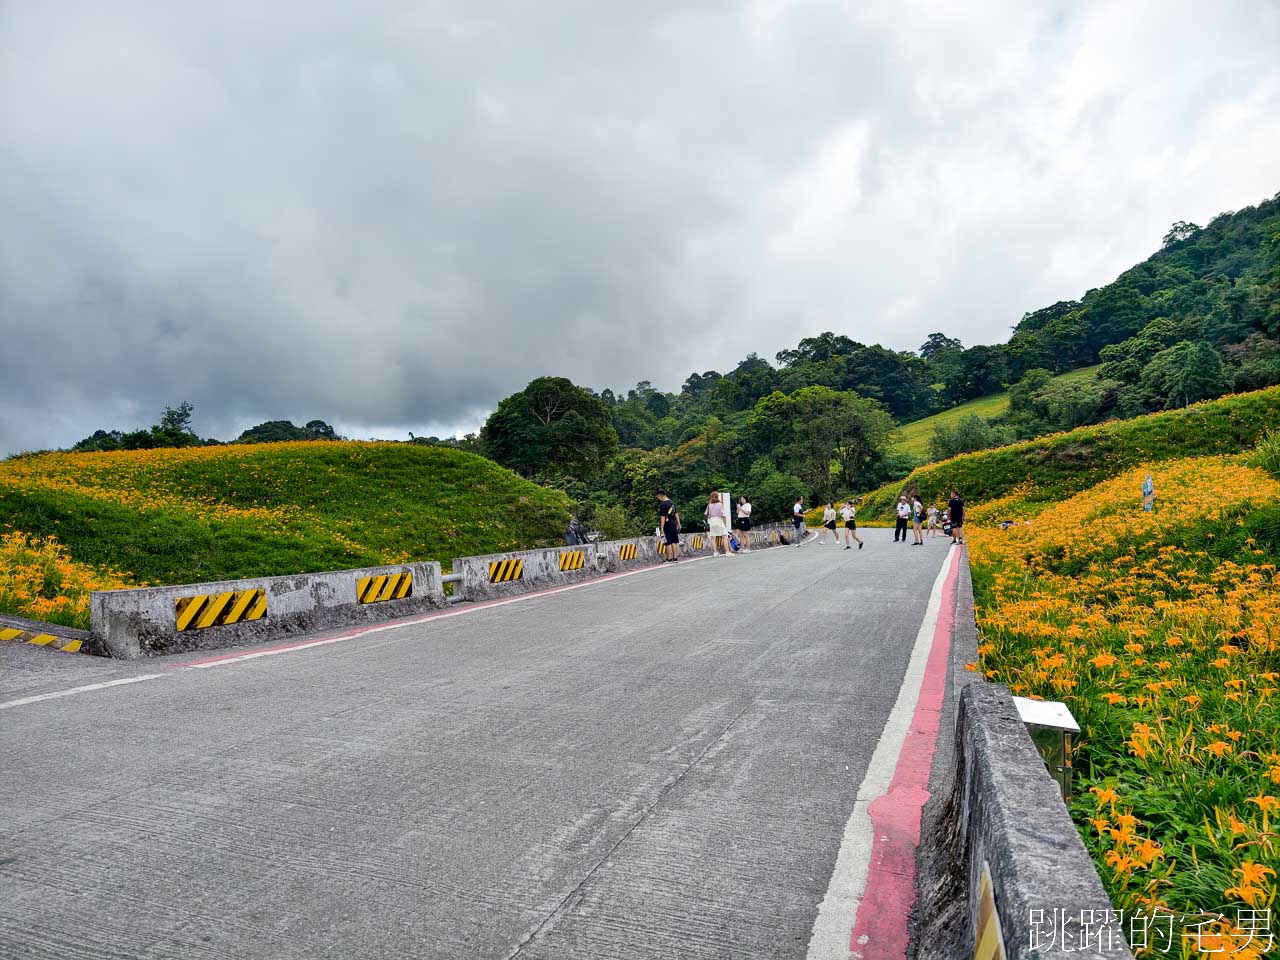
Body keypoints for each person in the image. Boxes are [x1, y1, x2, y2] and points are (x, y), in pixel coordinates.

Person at [657, 489, 681, 562]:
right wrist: (679, 523)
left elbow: (663, 518)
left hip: (667, 524)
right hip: (673, 523)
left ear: (660, 495)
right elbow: (676, 514)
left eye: (657, 496)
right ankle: (675, 558)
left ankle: (669, 558)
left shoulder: (663, 505)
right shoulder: (672, 503)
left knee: (668, 541)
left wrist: (662, 528)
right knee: (675, 541)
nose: (657, 498)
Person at [705, 492, 731, 557]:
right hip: (719, 520)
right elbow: (723, 515)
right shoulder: (720, 504)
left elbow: (706, 514)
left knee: (713, 538)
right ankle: (727, 552)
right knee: (724, 536)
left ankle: (715, 552)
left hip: (712, 521)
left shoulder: (709, 505)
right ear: (717, 497)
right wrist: (725, 524)